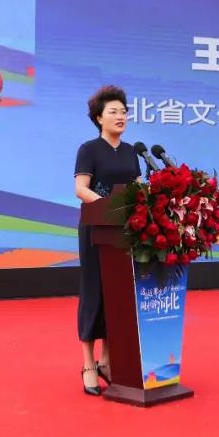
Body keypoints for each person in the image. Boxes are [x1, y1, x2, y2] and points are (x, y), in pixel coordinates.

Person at [73, 85, 140, 396]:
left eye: (123, 111)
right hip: (96, 228)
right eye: (113, 111)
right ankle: (88, 364)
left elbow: (137, 187)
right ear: (99, 118)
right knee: (94, 291)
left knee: (118, 295)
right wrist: (107, 207)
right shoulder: (89, 149)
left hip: (124, 231)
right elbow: (81, 189)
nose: (120, 116)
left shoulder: (131, 152)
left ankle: (107, 361)